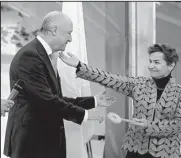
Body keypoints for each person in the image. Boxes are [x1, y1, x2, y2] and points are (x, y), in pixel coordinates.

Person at [4, 11, 115, 158]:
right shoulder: (30, 56)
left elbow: (55, 98)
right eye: (69, 33)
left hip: (42, 142)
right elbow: (47, 101)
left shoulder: (42, 55)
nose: (70, 39)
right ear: (54, 30)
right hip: (32, 145)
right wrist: (85, 115)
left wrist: (93, 101)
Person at [59, 43, 181, 158]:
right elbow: (109, 78)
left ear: (171, 65)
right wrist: (79, 65)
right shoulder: (139, 84)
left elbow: (179, 125)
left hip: (166, 153)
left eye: (156, 62)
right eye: (150, 61)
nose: (150, 66)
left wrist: (148, 125)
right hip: (135, 151)